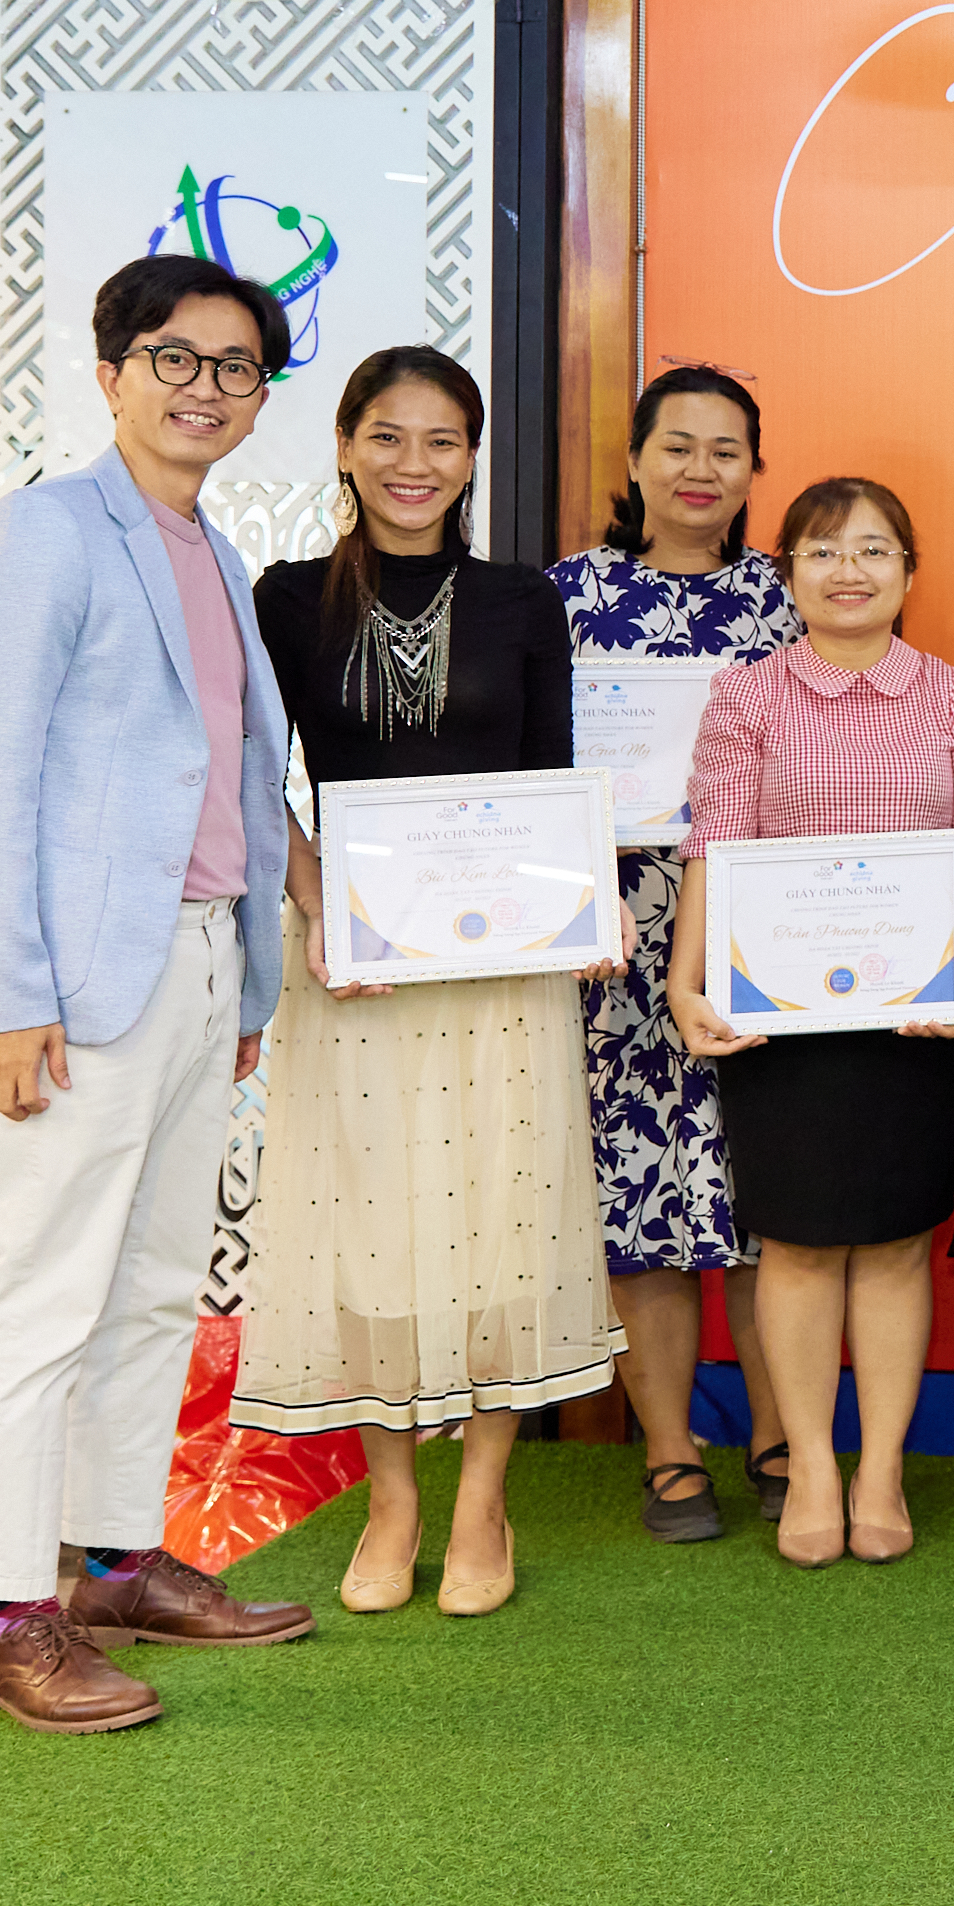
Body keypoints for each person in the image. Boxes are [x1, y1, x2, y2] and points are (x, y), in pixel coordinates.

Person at [0, 254, 316, 1733]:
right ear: (111, 374)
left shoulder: (212, 549)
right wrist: (1, 995)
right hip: (78, 981)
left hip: (202, 959)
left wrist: (246, 984)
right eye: (176, 357)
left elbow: (223, 780)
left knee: (155, 1286)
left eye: (235, 368)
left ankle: (114, 1566)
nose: (205, 387)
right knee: (40, 1295)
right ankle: (10, 1612)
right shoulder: (45, 533)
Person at [231, 347, 628, 1618]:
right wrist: (315, 910)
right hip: (354, 971)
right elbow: (251, 783)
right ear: (346, 446)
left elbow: (555, 785)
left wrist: (586, 902)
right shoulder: (287, 598)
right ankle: (392, 1499)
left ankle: (481, 1503)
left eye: (443, 440)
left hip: (500, 968)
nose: (416, 465)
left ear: (472, 457)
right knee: (368, 1230)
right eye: (389, 438)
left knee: (504, 1223)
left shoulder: (522, 599)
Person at [670, 478, 954, 1568]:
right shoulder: (748, 698)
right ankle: (814, 1463)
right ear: (790, 576)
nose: (851, 571)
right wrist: (687, 983)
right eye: (824, 552)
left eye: (874, 551)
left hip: (918, 1024)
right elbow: (713, 847)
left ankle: (882, 1471)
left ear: (911, 575)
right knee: (799, 1248)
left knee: (895, 1250)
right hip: (783, 1021)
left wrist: (944, 973)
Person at [551, 366, 803, 1543]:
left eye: (728, 451)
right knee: (640, 1200)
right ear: (638, 461)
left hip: (756, 944)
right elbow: (528, 776)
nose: (702, 470)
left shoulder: (786, 599)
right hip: (607, 947)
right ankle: (668, 1452)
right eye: (679, 446)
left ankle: (782, 1431)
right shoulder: (560, 598)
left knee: (767, 1200)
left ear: (756, 472)